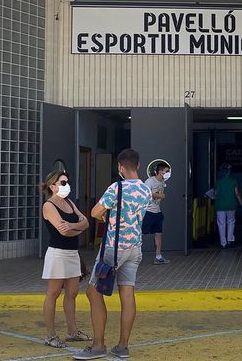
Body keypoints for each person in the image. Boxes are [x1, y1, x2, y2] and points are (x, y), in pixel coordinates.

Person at [74, 149, 151, 360]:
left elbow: (95, 212)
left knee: (93, 293)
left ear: (120, 167)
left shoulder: (116, 187)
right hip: (134, 248)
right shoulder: (145, 190)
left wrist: (107, 215)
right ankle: (122, 346)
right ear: (138, 165)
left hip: (113, 249)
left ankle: (98, 346)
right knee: (127, 294)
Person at [40, 171, 91, 348]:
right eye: (62, 183)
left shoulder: (69, 203)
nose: (66, 185)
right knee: (53, 293)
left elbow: (86, 222)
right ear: (52, 186)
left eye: (67, 182)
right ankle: (50, 335)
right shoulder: (49, 206)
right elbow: (64, 231)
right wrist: (78, 227)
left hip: (72, 253)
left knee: (72, 293)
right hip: (58, 254)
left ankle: (72, 332)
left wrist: (73, 226)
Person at [142, 162, 171, 265]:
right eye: (166, 171)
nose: (168, 173)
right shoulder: (149, 181)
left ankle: (158, 256)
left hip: (157, 212)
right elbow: (145, 195)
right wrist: (157, 196)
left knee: (158, 234)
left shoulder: (162, 182)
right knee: (141, 233)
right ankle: (133, 255)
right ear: (160, 172)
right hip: (148, 212)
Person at [215, 163, 242, 249]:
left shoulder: (219, 181)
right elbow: (237, 194)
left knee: (221, 224)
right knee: (231, 222)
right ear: (229, 171)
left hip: (220, 205)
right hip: (231, 204)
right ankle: (230, 240)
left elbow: (215, 193)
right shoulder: (233, 181)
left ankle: (223, 243)